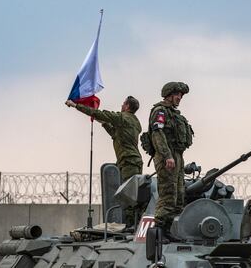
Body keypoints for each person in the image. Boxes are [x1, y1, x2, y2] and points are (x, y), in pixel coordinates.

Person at [65, 96, 143, 228]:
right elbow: (115, 134)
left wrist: (75, 105)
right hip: (131, 161)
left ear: (127, 106)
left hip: (129, 162)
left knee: (129, 197)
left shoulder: (123, 117)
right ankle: (132, 225)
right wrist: (103, 122)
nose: (121, 105)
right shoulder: (133, 121)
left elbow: (101, 114)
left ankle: (131, 226)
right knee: (131, 195)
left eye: (123, 103)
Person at [148, 82, 193, 240]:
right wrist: (167, 156)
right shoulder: (160, 111)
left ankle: (170, 231)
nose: (179, 98)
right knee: (168, 194)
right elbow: (157, 134)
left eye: (181, 95)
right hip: (166, 156)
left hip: (177, 156)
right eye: (177, 95)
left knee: (179, 196)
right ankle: (158, 231)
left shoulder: (175, 114)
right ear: (168, 95)